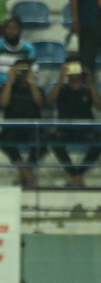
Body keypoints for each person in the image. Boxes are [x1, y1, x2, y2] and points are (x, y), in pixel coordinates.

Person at [48, 58, 101, 187]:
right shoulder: (62, 89)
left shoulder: (88, 89)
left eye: (77, 68)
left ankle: (78, 174)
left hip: (86, 130)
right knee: (51, 137)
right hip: (65, 129)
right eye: (71, 68)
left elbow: (99, 106)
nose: (74, 72)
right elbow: (49, 101)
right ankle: (75, 174)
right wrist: (60, 79)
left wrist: (91, 83)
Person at [0, 61, 46, 188]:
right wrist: (9, 79)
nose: (22, 74)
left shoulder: (37, 88)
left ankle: (25, 170)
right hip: (12, 129)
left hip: (32, 128)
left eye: (25, 70)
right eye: (19, 71)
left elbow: (40, 102)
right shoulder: (8, 88)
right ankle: (25, 170)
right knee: (2, 139)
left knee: (44, 140)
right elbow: (3, 103)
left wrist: (31, 82)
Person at [0, 17, 37, 119]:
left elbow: (34, 71)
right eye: (8, 28)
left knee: (33, 97)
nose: (11, 31)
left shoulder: (29, 48)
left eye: (14, 28)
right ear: (4, 30)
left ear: (20, 30)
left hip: (19, 87)